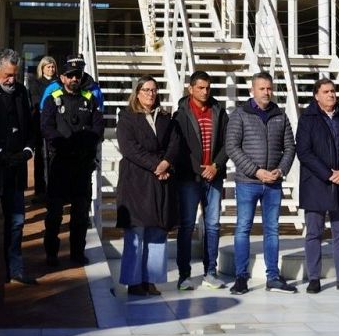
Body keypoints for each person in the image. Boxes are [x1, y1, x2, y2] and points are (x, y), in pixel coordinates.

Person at [226, 71, 297, 294]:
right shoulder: (239, 115)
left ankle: (273, 277)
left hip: (273, 184)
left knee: (272, 229)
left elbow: (290, 147)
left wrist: (280, 170)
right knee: (243, 228)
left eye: (269, 88)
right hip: (248, 182)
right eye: (262, 88)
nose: (267, 92)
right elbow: (232, 147)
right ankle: (241, 277)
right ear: (252, 90)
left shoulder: (280, 115)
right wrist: (256, 171)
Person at [296, 77, 339, 294]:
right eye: (326, 92)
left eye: (333, 91)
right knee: (314, 233)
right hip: (316, 184)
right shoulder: (307, 118)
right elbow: (304, 152)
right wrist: (327, 174)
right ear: (316, 95)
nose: (331, 95)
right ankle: (314, 279)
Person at [39, 53, 106, 266]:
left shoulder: (90, 98)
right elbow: (46, 127)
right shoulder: (52, 98)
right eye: (70, 75)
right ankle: (51, 254)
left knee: (79, 215)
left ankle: (77, 253)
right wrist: (62, 143)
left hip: (82, 166)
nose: (74, 79)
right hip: (59, 164)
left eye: (77, 75)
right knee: (55, 214)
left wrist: (86, 144)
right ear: (63, 76)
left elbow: (98, 127)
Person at [116, 76, 178, 296]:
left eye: (154, 90)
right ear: (137, 93)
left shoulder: (164, 117)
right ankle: (133, 282)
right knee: (135, 233)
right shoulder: (126, 117)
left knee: (157, 231)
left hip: (161, 181)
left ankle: (150, 279)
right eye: (146, 90)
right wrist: (156, 165)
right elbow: (129, 148)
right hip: (136, 182)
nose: (150, 94)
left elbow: (174, 142)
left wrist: (166, 163)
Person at [172, 70, 229, 290]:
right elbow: (179, 148)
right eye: (200, 88)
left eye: (207, 87)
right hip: (189, 177)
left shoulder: (219, 111)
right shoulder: (181, 114)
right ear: (191, 89)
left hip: (213, 176)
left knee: (213, 225)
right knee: (186, 225)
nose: (205, 92)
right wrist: (199, 169)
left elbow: (228, 143)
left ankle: (210, 272)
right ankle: (184, 275)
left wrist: (215, 166)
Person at [0, 49, 37, 285]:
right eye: (7, 75)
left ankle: (15, 269)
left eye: (14, 75)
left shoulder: (21, 92)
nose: (11, 80)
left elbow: (29, 125)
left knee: (17, 221)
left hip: (17, 167)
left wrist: (28, 150)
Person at [28, 55, 57, 195]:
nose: (51, 69)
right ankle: (40, 191)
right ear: (42, 68)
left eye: (53, 67)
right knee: (40, 157)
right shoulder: (36, 82)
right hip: (40, 123)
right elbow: (36, 102)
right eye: (48, 67)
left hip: (56, 124)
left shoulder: (60, 82)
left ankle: (54, 189)